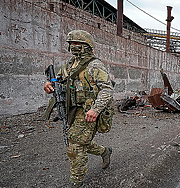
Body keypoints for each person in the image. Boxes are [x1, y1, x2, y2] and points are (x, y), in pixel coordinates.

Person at [43, 30, 114, 188]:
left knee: (75, 145)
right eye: (71, 44)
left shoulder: (95, 66)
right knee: (81, 141)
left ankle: (77, 182)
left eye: (77, 44)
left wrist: (95, 110)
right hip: (71, 109)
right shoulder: (69, 64)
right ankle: (104, 152)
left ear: (87, 46)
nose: (73, 46)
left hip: (88, 111)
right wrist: (49, 84)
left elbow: (107, 90)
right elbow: (59, 79)